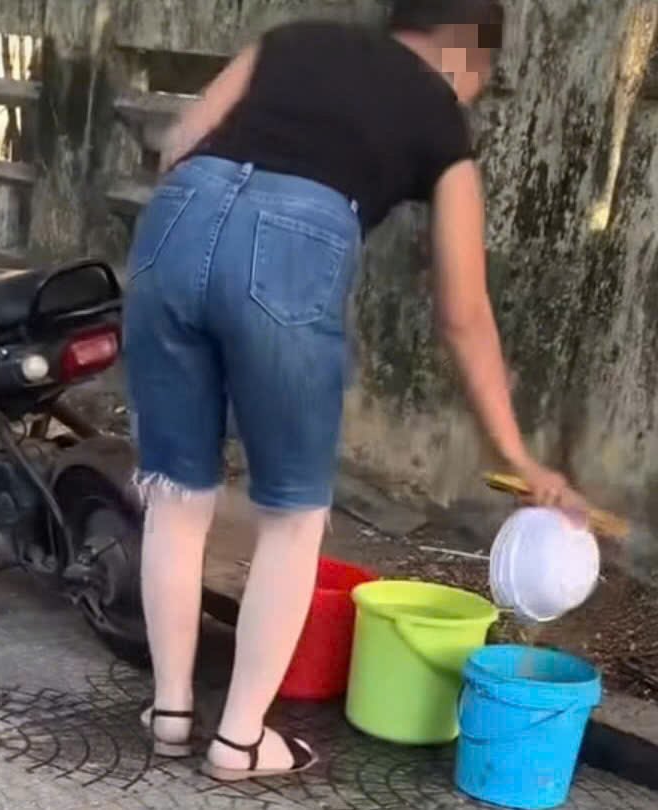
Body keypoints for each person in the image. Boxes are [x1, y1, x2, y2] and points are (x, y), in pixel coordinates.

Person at [122, 0, 589, 783]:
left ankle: (171, 712)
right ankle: (239, 741)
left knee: (177, 493)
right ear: (471, 57)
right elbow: (463, 311)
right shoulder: (442, 115)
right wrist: (517, 454)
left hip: (177, 221)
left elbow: (179, 142)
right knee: (294, 513)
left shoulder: (291, 39)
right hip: (292, 246)